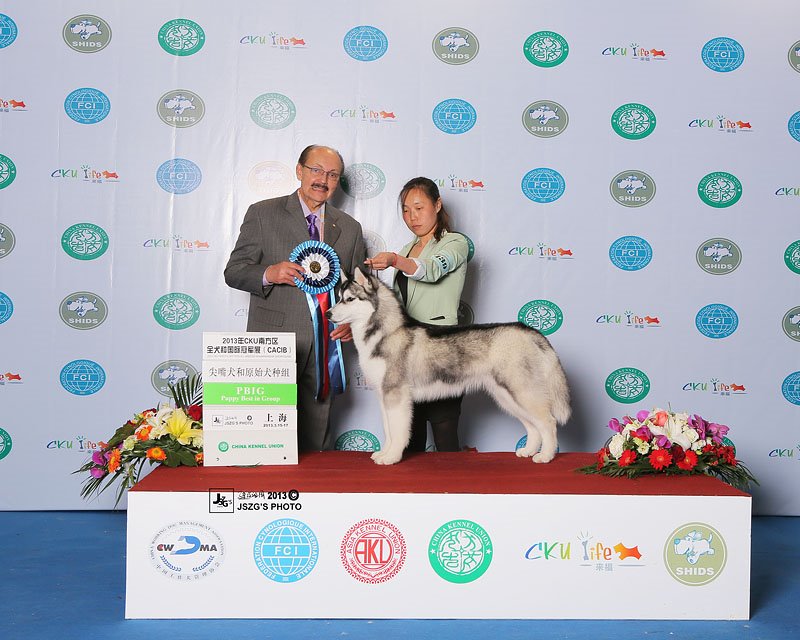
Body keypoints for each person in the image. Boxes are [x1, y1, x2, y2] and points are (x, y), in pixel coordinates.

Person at [224, 145, 366, 451]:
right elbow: (234, 272)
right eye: (316, 170)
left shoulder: (350, 228)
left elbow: (357, 289)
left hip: (326, 344)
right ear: (299, 170)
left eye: (332, 175)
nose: (323, 180)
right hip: (272, 341)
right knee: (265, 436)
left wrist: (353, 322)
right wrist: (269, 272)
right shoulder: (262, 213)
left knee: (318, 435)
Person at [366, 177, 469, 452]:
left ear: (437, 205)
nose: (412, 217)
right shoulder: (408, 248)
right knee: (410, 434)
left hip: (441, 346)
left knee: (445, 431)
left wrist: (395, 260)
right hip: (408, 350)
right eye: (406, 210)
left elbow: (431, 270)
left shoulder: (455, 243)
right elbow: (396, 305)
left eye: (419, 208)